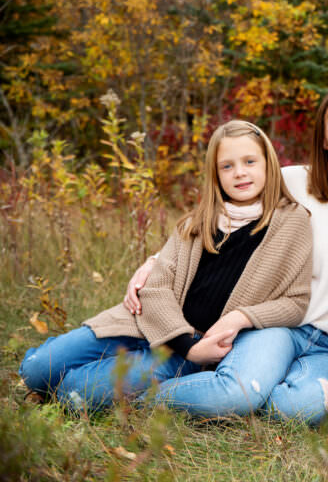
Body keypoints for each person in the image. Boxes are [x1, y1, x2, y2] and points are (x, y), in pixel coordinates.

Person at [122, 84, 328, 424]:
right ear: (324, 138)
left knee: (295, 410)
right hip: (276, 327)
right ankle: (147, 400)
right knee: (237, 392)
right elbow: (217, 214)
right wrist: (156, 261)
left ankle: (250, 395)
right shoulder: (292, 181)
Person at [19, 120, 312, 415]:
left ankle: (97, 384)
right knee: (35, 370)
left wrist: (240, 317)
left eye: (250, 161)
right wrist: (187, 345)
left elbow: (295, 303)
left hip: (187, 352)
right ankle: (69, 368)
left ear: (268, 164)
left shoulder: (292, 221)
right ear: (215, 174)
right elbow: (157, 286)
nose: (240, 173)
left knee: (75, 393)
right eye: (227, 166)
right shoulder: (197, 221)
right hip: (145, 326)